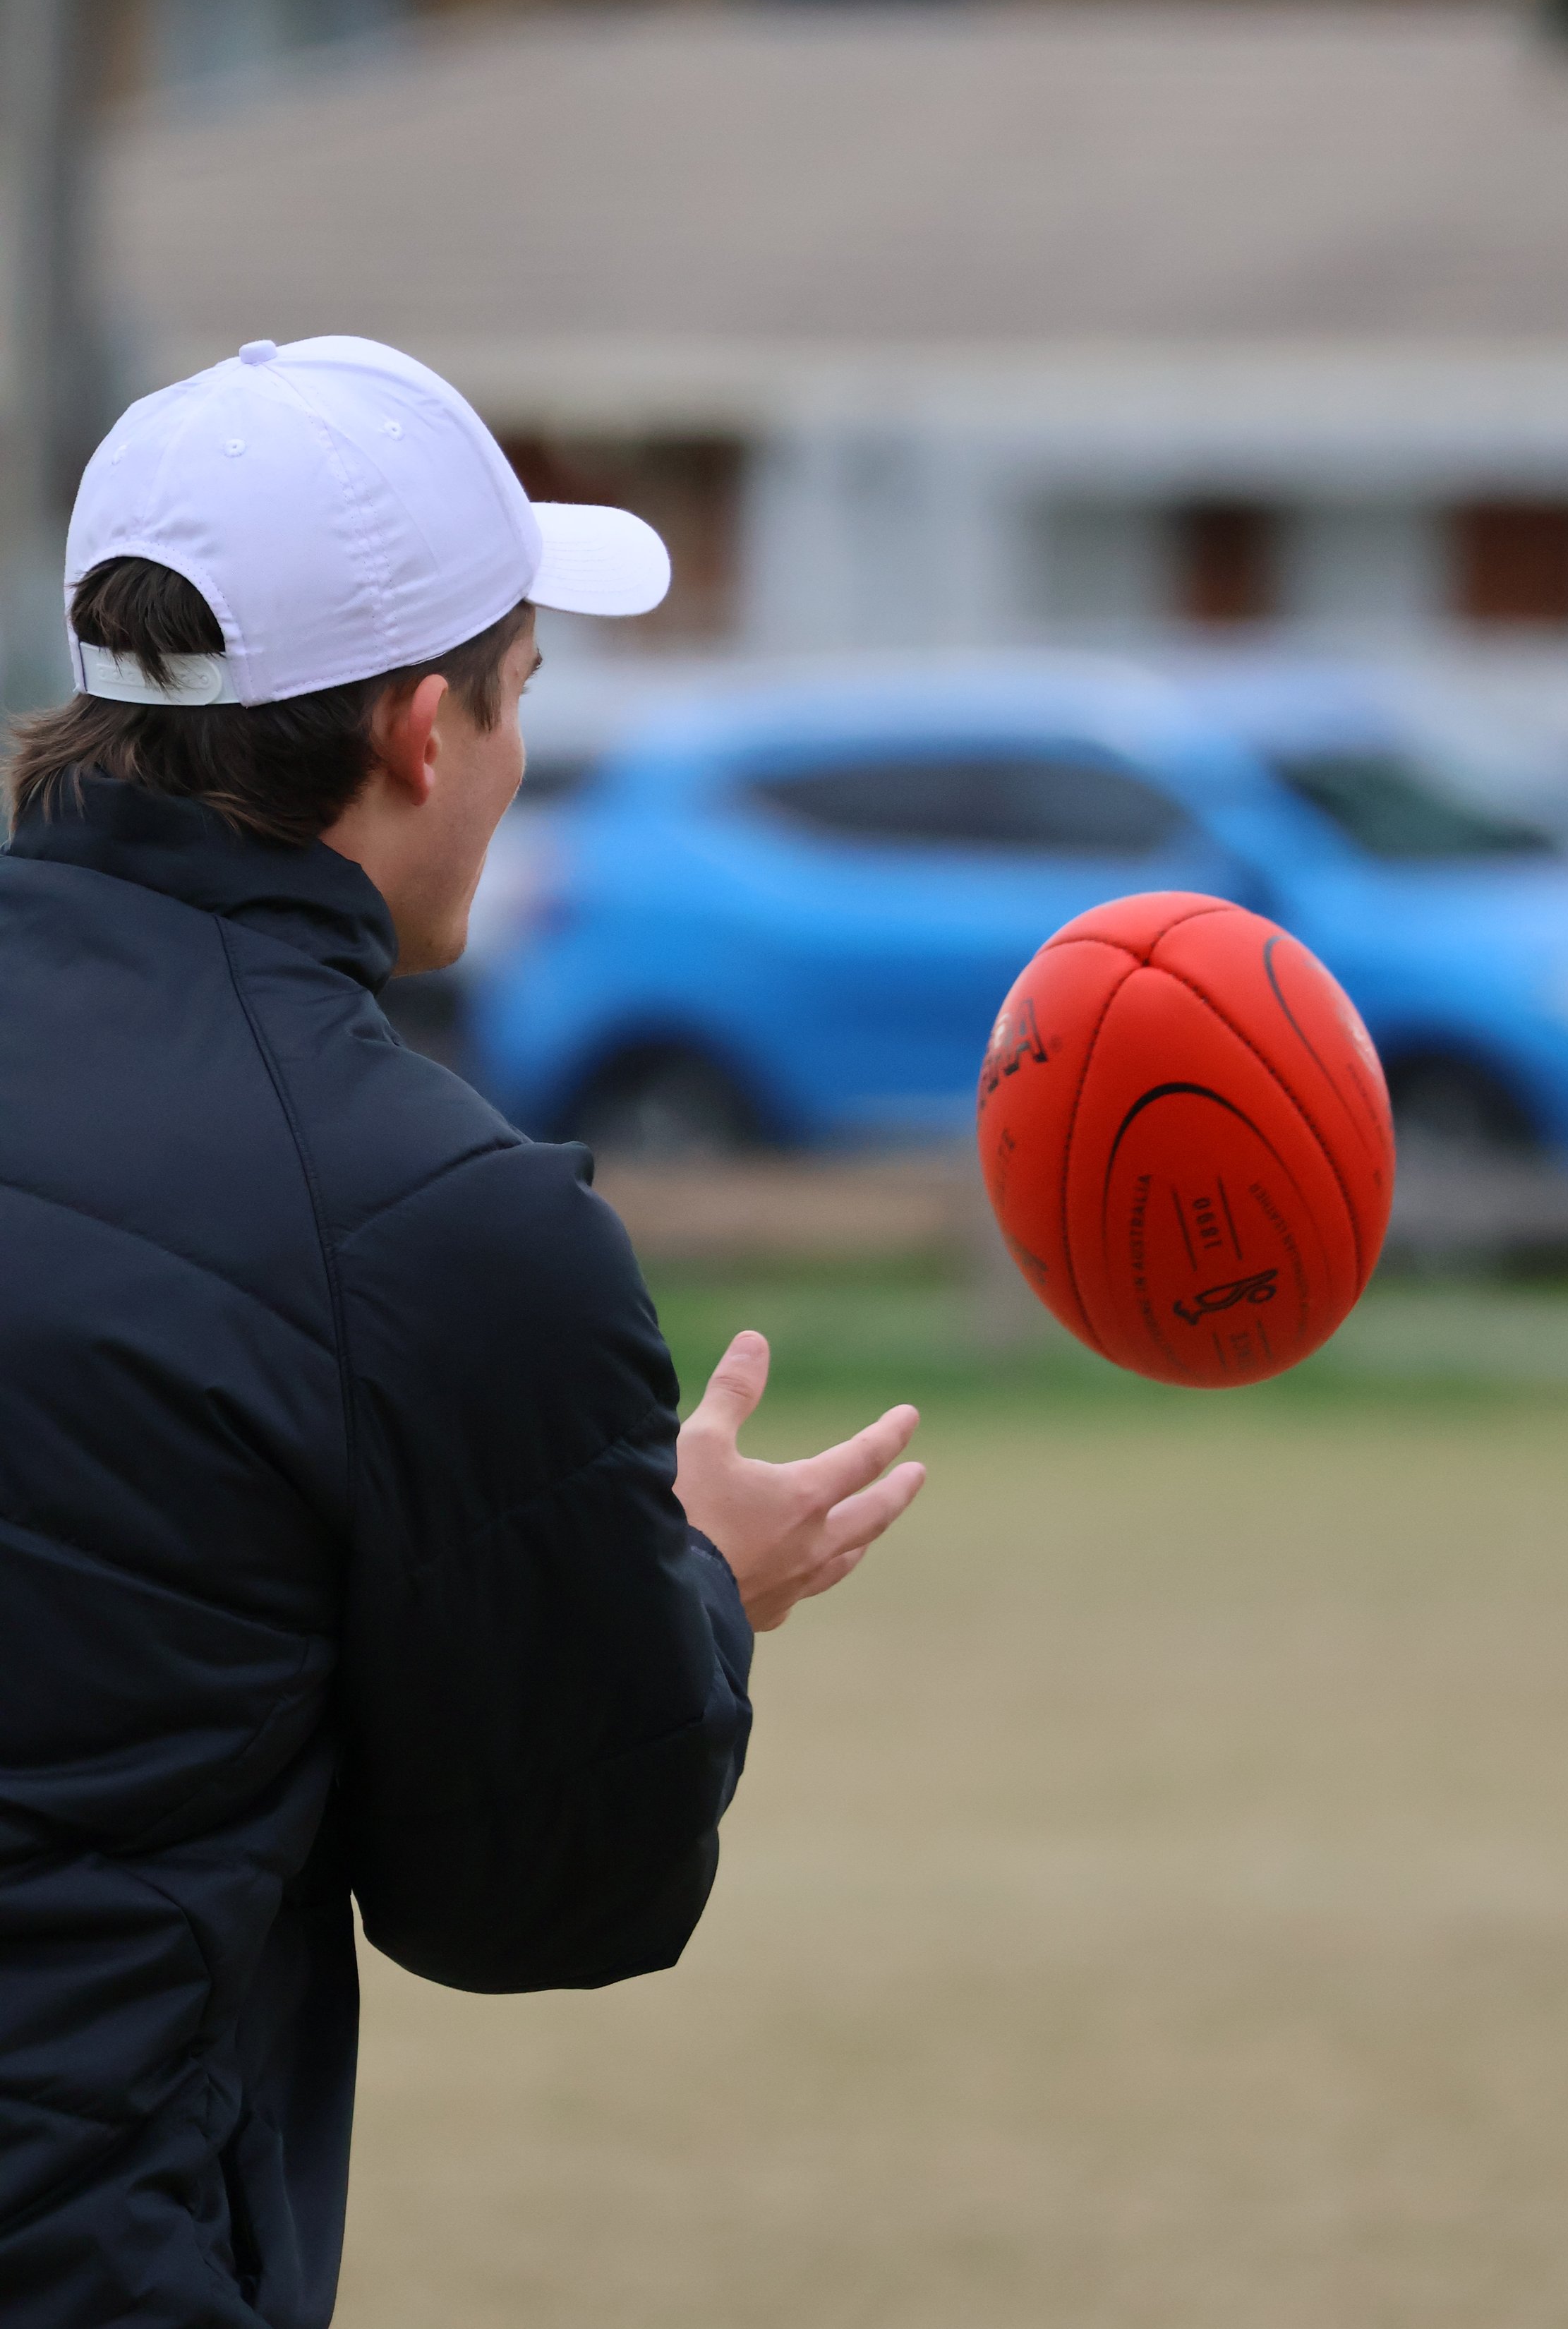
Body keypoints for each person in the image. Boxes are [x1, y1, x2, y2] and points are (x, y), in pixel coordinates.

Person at [0, 335, 925, 2328]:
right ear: (424, 732)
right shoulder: (439, 1224)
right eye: (520, 695)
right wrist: (684, 1580)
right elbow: (539, 1898)